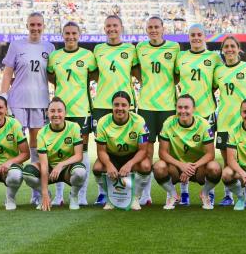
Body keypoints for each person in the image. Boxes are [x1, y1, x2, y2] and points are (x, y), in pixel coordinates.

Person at [0, 12, 55, 205]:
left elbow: (52, 75)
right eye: (32, 24)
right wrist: (3, 97)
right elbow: (7, 74)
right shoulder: (16, 45)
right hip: (18, 101)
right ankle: (10, 193)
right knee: (13, 145)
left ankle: (36, 193)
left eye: (39, 25)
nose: (35, 28)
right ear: (27, 25)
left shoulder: (50, 47)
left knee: (36, 147)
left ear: (43, 26)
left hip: (40, 101)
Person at [47, 21, 97, 205]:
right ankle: (59, 195)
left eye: (74, 33)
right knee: (58, 152)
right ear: (62, 35)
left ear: (79, 34)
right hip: (60, 111)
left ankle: (81, 194)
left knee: (82, 151)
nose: (70, 36)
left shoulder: (88, 56)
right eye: (67, 33)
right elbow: (51, 77)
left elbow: (93, 76)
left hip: (82, 110)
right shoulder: (54, 57)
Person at [214, 35, 246, 207]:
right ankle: (228, 195)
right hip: (223, 122)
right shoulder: (218, 71)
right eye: (226, 46)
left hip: (243, 124)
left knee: (244, 160)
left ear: (238, 49)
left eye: (232, 46)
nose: (229, 49)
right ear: (222, 50)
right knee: (227, 162)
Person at [91, 15, 139, 205]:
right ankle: (104, 192)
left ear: (121, 28)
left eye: (115, 26)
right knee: (102, 149)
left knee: (134, 147)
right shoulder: (98, 49)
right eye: (108, 26)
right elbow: (95, 74)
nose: (112, 29)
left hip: (126, 104)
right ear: (104, 29)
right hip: (102, 104)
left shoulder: (130, 49)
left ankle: (139, 193)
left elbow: (136, 74)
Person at [174, 23, 222, 205]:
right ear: (188, 37)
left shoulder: (214, 58)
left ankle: (207, 192)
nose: (195, 38)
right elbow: (176, 79)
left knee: (207, 153)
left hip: (207, 112)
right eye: (192, 35)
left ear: (205, 36)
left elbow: (217, 83)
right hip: (185, 113)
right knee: (181, 151)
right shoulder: (181, 57)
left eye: (199, 35)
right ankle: (184, 192)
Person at [134, 16, 180, 206]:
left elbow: (177, 74)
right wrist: (146, 82)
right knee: (146, 152)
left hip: (168, 107)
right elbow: (135, 70)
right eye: (150, 27)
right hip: (145, 107)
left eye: (156, 27)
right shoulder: (140, 48)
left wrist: (166, 86)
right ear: (146, 30)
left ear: (163, 28)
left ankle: (176, 192)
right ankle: (146, 194)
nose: (153, 30)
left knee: (170, 151)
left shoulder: (174, 47)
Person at [153, 94, 221, 210]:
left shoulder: (204, 125)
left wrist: (191, 167)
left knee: (215, 167)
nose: (183, 111)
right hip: (176, 167)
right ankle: (173, 195)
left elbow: (210, 154)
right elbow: (162, 153)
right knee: (158, 167)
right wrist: (181, 165)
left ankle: (204, 193)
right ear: (176, 108)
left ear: (193, 109)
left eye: (186, 107)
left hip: (198, 168)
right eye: (180, 107)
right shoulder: (168, 123)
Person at [22, 97, 86, 211]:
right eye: (52, 111)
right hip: (50, 169)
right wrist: (44, 192)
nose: (56, 114)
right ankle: (46, 197)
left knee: (80, 172)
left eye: (59, 111)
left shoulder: (74, 127)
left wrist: (61, 164)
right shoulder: (42, 133)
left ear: (65, 113)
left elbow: (79, 156)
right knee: (27, 173)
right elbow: (44, 165)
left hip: (67, 169)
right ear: (47, 113)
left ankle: (74, 196)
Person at [92, 91, 151, 211]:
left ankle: (135, 197)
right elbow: (101, 151)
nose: (120, 108)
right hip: (111, 155)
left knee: (145, 166)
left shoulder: (139, 121)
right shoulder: (103, 122)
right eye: (116, 105)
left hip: (132, 155)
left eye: (124, 105)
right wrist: (108, 165)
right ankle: (110, 197)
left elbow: (143, 150)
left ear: (129, 106)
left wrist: (130, 164)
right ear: (112, 106)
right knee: (97, 167)